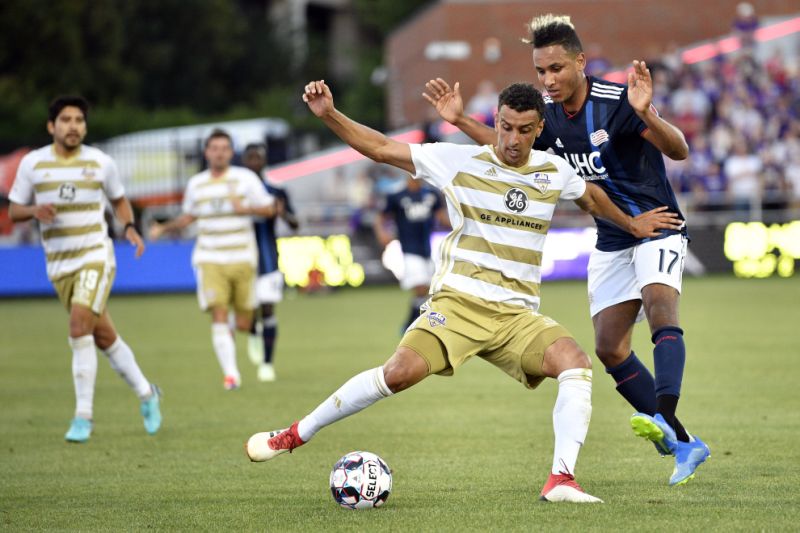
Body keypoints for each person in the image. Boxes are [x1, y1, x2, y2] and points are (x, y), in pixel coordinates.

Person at [245, 79, 683, 503]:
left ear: (539, 129)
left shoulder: (554, 171)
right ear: (496, 120)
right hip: (458, 307)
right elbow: (380, 148)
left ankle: (561, 480)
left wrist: (631, 224)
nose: (513, 139)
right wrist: (330, 115)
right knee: (396, 374)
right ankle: (296, 434)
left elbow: (591, 197)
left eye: (525, 130)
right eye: (506, 127)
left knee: (575, 363)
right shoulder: (458, 161)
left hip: (516, 318)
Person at [422, 13, 710, 486]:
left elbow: (678, 150)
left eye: (556, 69)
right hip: (613, 236)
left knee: (661, 307)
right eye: (540, 71)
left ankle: (665, 416)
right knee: (609, 348)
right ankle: (685, 443)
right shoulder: (547, 118)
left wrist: (647, 113)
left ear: (580, 62)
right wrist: (459, 121)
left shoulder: (618, 102)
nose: (548, 80)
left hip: (656, 225)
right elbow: (510, 149)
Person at [8, 95, 162, 443]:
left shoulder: (100, 162)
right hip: (59, 265)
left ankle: (83, 416)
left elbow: (119, 200)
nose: (73, 126)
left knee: (79, 326)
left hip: (95, 255)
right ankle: (147, 393)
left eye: (79, 120)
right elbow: (15, 210)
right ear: (51, 126)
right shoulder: (33, 164)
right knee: (103, 336)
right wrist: (34, 211)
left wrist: (129, 227)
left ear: (85, 127)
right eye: (66, 120)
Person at [149, 130, 275, 390]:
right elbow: (189, 216)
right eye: (214, 148)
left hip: (242, 257)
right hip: (209, 258)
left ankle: (248, 330)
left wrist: (245, 209)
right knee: (218, 312)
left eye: (224, 148)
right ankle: (231, 375)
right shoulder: (196, 184)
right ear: (207, 152)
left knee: (243, 322)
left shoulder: (245, 178)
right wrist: (164, 228)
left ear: (231, 152)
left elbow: (270, 208)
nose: (219, 153)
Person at [241, 142, 300, 382]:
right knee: (248, 312)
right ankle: (253, 332)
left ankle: (267, 364)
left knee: (268, 308)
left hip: (268, 258)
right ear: (244, 161)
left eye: (258, 158)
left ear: (264, 161)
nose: (254, 162)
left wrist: (282, 212)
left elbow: (295, 224)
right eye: (251, 158)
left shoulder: (275, 190)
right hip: (242, 259)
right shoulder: (237, 192)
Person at [374, 174, 446, 332]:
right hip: (409, 250)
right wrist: (382, 233)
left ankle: (410, 325)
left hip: (428, 249)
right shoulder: (397, 195)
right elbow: (381, 217)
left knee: (427, 292)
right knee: (420, 288)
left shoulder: (431, 194)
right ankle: (414, 325)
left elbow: (442, 217)